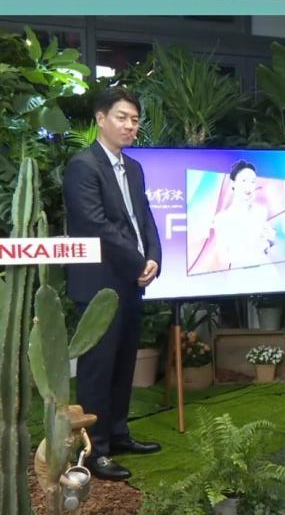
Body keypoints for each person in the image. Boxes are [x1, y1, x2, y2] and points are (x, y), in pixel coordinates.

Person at [64, 86, 162, 481]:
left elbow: (145, 218)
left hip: (130, 281)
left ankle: (118, 434)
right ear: (101, 118)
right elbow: (96, 225)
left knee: (123, 364)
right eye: (122, 117)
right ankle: (95, 450)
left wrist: (154, 257)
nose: (130, 126)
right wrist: (139, 262)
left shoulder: (134, 168)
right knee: (97, 369)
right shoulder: (83, 166)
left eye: (135, 120)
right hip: (99, 285)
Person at [191, 161, 276, 273]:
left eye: (252, 182)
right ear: (233, 183)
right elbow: (223, 257)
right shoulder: (222, 219)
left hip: (266, 271)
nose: (249, 186)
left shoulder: (260, 211)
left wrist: (268, 242)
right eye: (244, 181)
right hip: (240, 274)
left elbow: (268, 240)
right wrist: (253, 250)